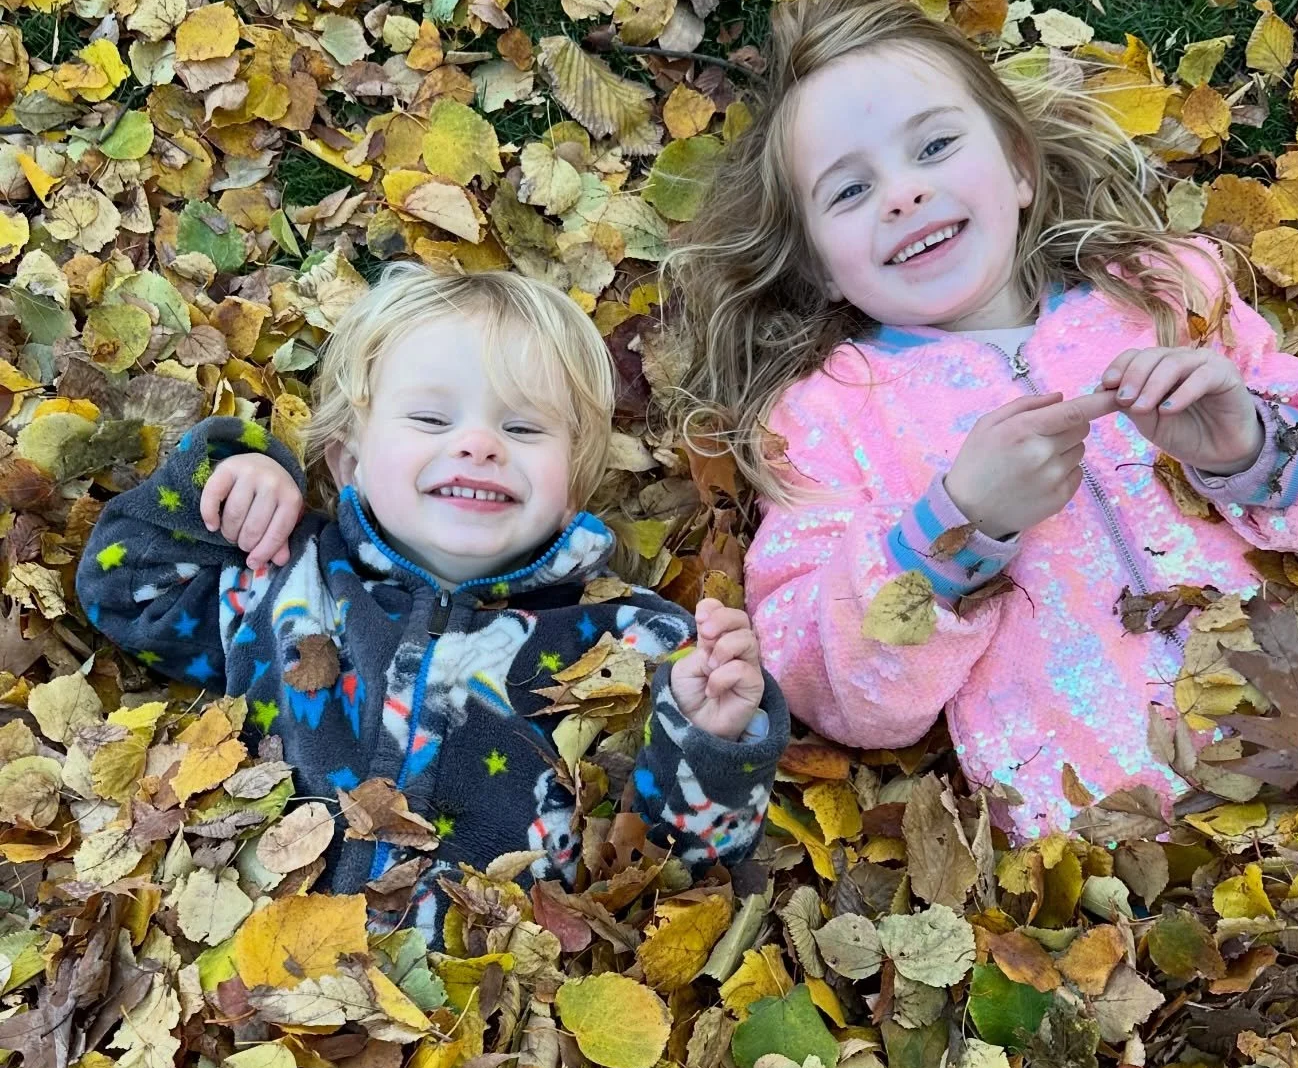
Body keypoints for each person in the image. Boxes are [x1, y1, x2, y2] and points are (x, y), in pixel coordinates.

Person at [667, 0, 1298, 837]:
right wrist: (955, 530)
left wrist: (1249, 445)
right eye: (848, 192)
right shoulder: (827, 417)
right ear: (816, 266)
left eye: (935, 146)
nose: (901, 195)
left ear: (1020, 169)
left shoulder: (1162, 292)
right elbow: (830, 684)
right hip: (1121, 838)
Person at [78, 264, 788, 942]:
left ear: (571, 480)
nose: (479, 445)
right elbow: (121, 591)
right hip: (257, 985)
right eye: (429, 418)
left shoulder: (631, 642)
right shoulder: (287, 578)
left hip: (494, 1024)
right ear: (347, 461)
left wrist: (714, 744)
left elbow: (675, 869)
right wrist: (232, 471)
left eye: (523, 429)